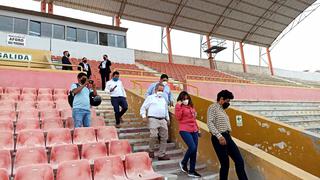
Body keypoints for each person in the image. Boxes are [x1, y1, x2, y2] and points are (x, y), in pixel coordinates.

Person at [207, 90, 248, 180]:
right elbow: (210, 123)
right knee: (225, 164)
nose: (228, 103)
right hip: (219, 137)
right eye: (227, 101)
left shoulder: (222, 110)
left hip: (227, 136)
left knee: (239, 161)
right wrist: (219, 136)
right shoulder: (213, 107)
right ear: (221, 99)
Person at [140, 83, 170, 161]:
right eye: (159, 90)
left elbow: (166, 110)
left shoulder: (163, 99)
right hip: (153, 119)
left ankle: (161, 154)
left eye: (162, 90)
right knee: (153, 135)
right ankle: (151, 151)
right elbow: (143, 108)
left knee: (164, 137)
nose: (161, 92)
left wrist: (168, 118)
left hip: (163, 119)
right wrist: (144, 116)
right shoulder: (150, 98)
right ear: (155, 90)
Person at [175, 91, 201, 178]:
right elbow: (178, 117)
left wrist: (198, 129)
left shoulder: (191, 107)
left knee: (194, 151)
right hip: (184, 129)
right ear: (180, 100)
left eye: (187, 98)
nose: (186, 100)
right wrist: (178, 105)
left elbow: (194, 119)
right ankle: (183, 162)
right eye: (183, 99)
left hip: (194, 130)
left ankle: (192, 171)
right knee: (192, 147)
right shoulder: (179, 107)